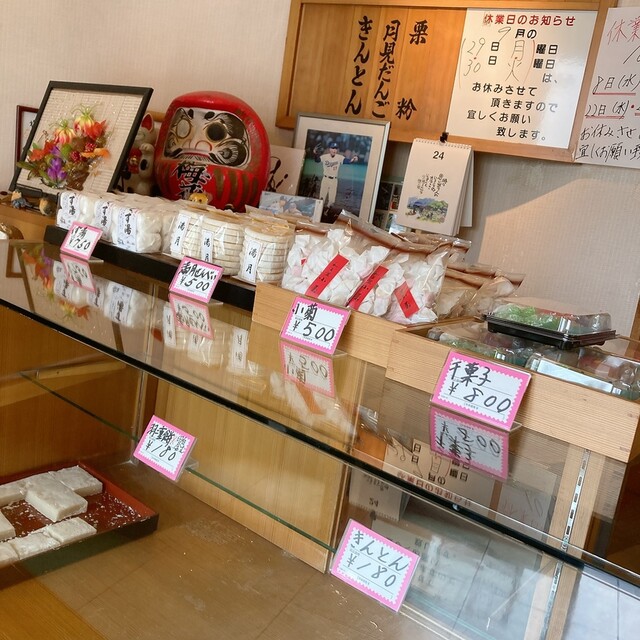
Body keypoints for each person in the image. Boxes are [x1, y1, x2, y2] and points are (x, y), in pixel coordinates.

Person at [314, 141, 358, 207]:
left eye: (335, 148)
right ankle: (319, 211)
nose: (334, 150)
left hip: (334, 181)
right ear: (330, 149)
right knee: (321, 199)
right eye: (333, 148)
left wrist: (353, 159)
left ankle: (327, 211)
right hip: (325, 179)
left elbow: (348, 161)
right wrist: (315, 153)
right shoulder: (325, 157)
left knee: (331, 201)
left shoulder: (339, 157)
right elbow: (317, 160)